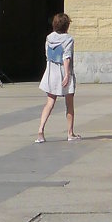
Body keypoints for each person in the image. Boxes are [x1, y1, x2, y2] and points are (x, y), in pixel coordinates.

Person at [36, 12, 77, 143]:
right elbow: (66, 57)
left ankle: (40, 131)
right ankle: (70, 133)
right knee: (69, 104)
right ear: (66, 26)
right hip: (63, 72)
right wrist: (66, 75)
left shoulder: (49, 38)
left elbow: (47, 54)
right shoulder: (68, 39)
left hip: (50, 71)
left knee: (50, 102)